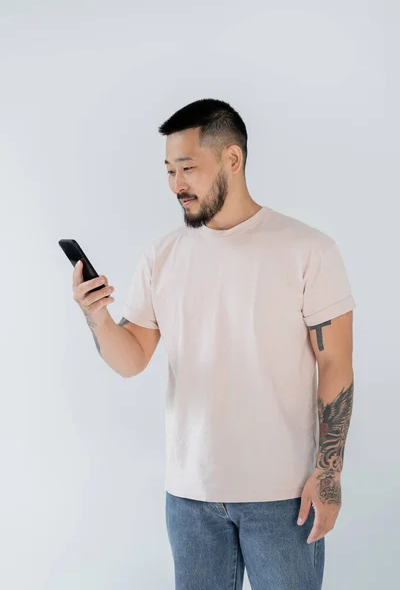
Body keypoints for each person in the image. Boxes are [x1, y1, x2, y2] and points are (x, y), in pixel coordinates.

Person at [72, 98, 356, 590]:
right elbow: (132, 358)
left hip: (284, 497)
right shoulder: (162, 255)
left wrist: (328, 474)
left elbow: (335, 363)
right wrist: (96, 316)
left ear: (232, 159)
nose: (176, 185)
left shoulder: (307, 249)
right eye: (168, 171)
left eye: (188, 168)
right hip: (189, 499)